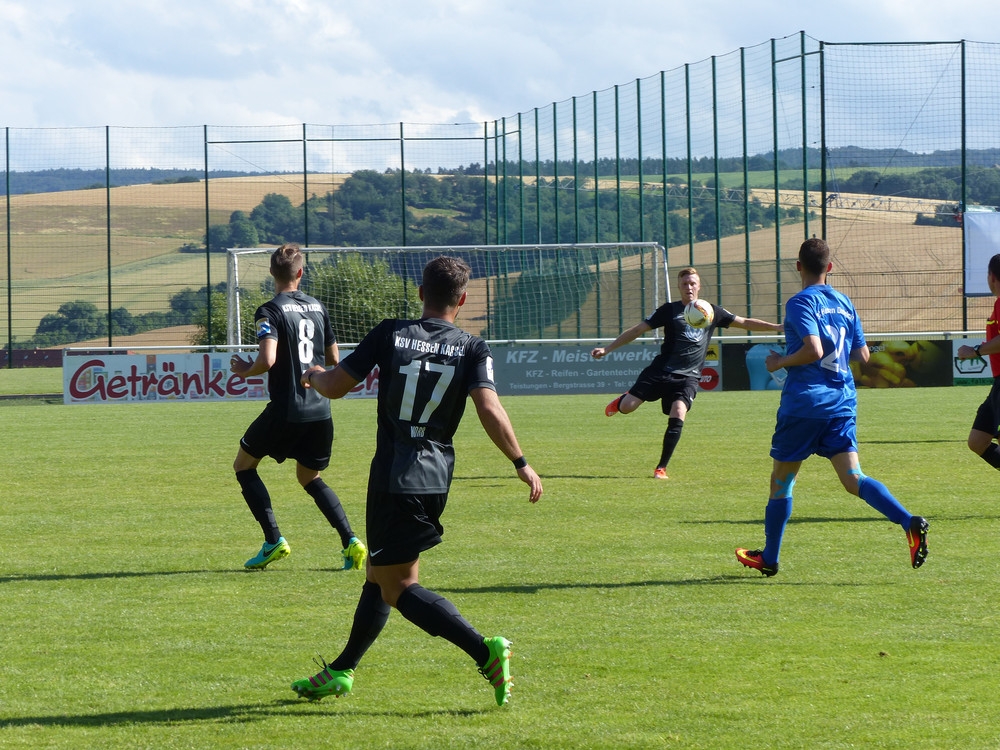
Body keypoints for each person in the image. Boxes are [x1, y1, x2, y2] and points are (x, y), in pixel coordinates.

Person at [290, 255, 543, 707]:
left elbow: (336, 386)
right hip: (435, 476)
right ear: (462, 300)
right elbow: (489, 407)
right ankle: (342, 670)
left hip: (395, 476)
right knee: (379, 574)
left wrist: (312, 375)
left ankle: (483, 650)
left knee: (398, 586)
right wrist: (520, 461)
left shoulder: (391, 332)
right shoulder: (473, 347)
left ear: (421, 293)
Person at [735, 237, 928, 577]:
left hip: (805, 404)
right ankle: (907, 521)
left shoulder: (799, 302)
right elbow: (863, 355)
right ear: (830, 267)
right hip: (841, 403)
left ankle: (770, 558)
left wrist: (780, 362)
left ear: (798, 266)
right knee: (854, 479)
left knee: (782, 481)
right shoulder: (844, 302)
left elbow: (814, 349)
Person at [229, 242, 366, 572]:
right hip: (320, 410)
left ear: (271, 273)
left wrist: (245, 369)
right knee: (309, 476)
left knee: (244, 466)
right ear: (300, 272)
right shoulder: (318, 307)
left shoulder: (269, 310)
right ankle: (351, 541)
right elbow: (333, 358)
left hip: (286, 409)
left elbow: (268, 359)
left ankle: (273, 540)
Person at [592, 266, 783, 479]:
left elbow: (745, 322)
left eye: (692, 283)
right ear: (679, 286)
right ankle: (622, 401)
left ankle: (661, 468)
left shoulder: (711, 311)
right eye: (685, 284)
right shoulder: (669, 310)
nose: (689, 287)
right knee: (627, 407)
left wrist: (777, 327)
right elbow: (637, 330)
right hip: (660, 370)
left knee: (678, 411)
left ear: (699, 286)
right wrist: (607, 349)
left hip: (688, 377)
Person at [956, 253, 1000, 470]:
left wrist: (976, 351)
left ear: (991, 276)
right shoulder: (998, 304)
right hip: (998, 385)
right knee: (978, 441)